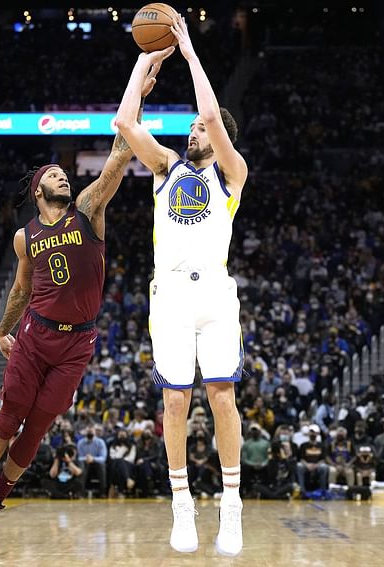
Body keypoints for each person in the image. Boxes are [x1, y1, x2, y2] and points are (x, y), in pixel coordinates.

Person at [0, 56, 168, 553]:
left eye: (65, 174)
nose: (64, 177)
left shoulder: (88, 210)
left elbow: (116, 158)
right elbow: (21, 290)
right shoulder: (25, 236)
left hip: (78, 342)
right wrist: (4, 328)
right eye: (55, 174)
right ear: (37, 189)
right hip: (35, 334)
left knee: (36, 430)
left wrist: (139, 101)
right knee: (7, 420)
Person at [115, 15, 248, 556]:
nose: (193, 129)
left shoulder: (231, 173)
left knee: (222, 397)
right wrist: (147, 60)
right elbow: (126, 122)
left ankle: (232, 505)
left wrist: (190, 53)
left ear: (216, 141)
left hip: (215, 295)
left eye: (199, 129)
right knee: (174, 403)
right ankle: (182, 502)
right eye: (191, 127)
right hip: (169, 295)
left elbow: (213, 113)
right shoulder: (168, 167)